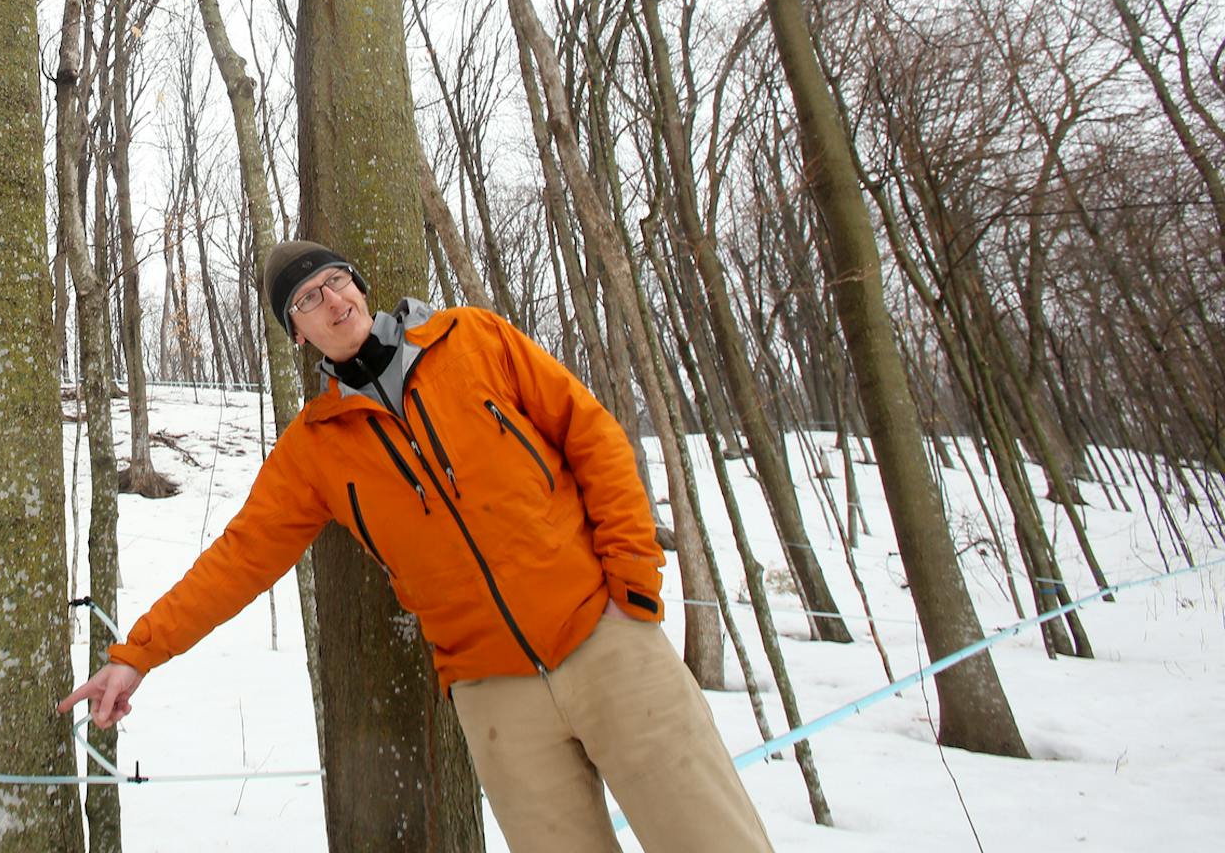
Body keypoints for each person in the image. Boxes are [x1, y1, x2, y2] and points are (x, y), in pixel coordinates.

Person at [58, 240, 776, 853]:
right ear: (297, 334)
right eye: (307, 299)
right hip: (496, 698)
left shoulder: (475, 339)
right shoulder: (315, 449)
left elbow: (595, 441)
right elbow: (238, 560)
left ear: (360, 286)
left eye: (336, 280)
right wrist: (137, 654)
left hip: (609, 643)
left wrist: (634, 586)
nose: (332, 300)